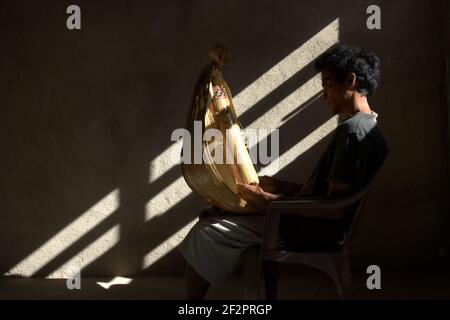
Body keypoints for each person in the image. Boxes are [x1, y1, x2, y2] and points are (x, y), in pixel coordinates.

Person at [178, 44, 389, 299]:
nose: (324, 94)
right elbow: (330, 194)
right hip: (309, 220)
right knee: (215, 214)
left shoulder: (353, 133)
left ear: (351, 81)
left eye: (328, 84)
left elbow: (333, 208)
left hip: (312, 230)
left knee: (207, 231)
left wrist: (268, 201)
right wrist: (280, 186)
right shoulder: (367, 125)